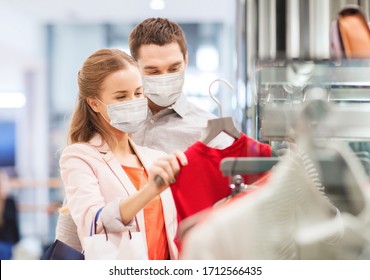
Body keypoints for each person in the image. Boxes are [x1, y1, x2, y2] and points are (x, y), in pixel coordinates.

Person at [58, 48, 187, 260]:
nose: (134, 101)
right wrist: (151, 189)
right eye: (121, 96)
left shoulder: (154, 158)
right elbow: (94, 223)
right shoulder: (79, 157)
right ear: (94, 104)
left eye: (138, 93)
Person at [129, 17, 220, 153]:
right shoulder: (120, 124)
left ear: (186, 60)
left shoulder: (210, 131)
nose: (164, 78)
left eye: (173, 69)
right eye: (153, 71)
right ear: (135, 67)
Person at [0, 170, 20, 260]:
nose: (6, 188)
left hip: (7, 242)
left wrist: (17, 241)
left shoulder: (10, 201)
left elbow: (14, 224)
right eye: (3, 186)